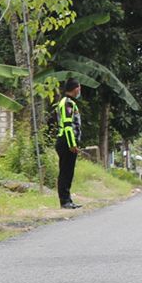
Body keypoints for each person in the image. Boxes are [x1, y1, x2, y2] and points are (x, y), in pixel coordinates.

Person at [54, 78, 82, 210]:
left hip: (68, 141)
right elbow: (67, 125)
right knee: (65, 172)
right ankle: (64, 201)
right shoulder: (67, 103)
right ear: (76, 88)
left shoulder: (68, 102)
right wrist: (72, 144)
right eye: (79, 88)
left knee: (68, 172)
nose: (80, 90)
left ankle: (68, 199)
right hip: (66, 141)